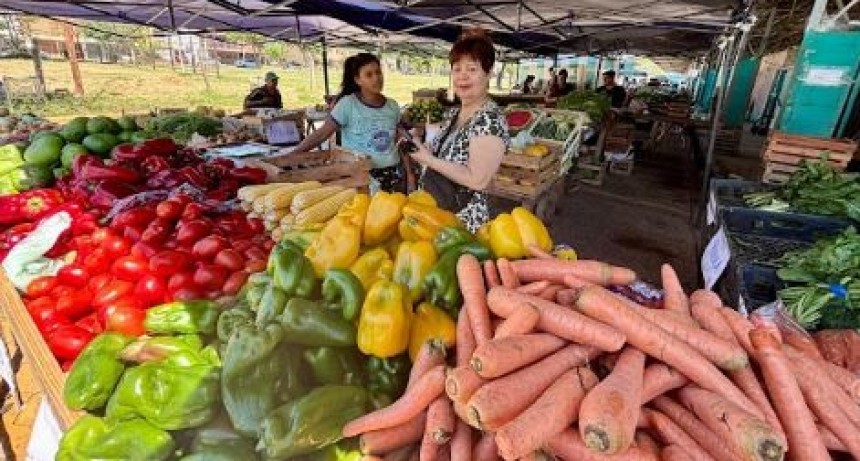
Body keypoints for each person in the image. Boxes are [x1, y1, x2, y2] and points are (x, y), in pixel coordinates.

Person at [409, 30, 510, 232]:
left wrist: (429, 160)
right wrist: (419, 147)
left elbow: (478, 179)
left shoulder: (490, 119)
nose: (462, 76)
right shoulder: (453, 113)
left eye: (472, 69)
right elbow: (444, 158)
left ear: (489, 73)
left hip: (462, 225)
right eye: (457, 69)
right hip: (435, 216)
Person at [291, 53, 411, 193]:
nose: (377, 78)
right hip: (360, 176)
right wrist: (294, 154)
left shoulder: (392, 105)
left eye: (378, 72)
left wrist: (410, 175)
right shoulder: (348, 104)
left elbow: (401, 141)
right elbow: (322, 133)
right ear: (357, 80)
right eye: (369, 74)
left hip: (393, 174)